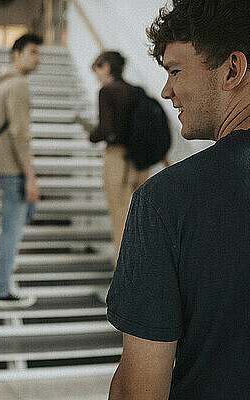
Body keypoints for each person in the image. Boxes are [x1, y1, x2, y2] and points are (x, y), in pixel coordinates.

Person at [106, 1, 250, 399]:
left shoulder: (165, 201)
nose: (166, 91)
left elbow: (139, 391)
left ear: (233, 69)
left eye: (175, 71)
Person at [0, 33, 43, 308]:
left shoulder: (1, 81)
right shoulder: (17, 85)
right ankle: (3, 290)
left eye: (38, 52)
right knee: (13, 229)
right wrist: (30, 176)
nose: (37, 57)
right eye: (32, 52)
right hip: (12, 167)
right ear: (16, 54)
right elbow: (19, 134)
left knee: (17, 218)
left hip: (1, 162)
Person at [79, 51, 153, 263]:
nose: (97, 76)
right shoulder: (136, 91)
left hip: (117, 158)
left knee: (120, 218)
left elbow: (106, 130)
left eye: (98, 70)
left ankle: (121, 277)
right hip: (139, 161)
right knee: (138, 218)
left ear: (107, 67)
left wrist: (91, 134)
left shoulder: (107, 91)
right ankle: (140, 268)